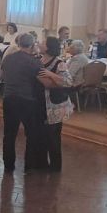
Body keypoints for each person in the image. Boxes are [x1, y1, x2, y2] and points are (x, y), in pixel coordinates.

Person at [1, 34, 47, 174]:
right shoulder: (34, 62)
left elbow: (1, 76)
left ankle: (8, 165)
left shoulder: (8, 58)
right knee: (31, 134)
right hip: (27, 99)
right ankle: (29, 165)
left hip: (9, 98)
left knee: (9, 134)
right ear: (32, 45)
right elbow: (44, 82)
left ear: (19, 43)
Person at [37, 36, 73, 172]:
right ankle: (42, 164)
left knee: (53, 137)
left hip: (55, 105)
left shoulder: (59, 63)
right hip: (41, 104)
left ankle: (55, 166)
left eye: (42, 42)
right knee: (41, 136)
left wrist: (50, 75)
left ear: (48, 47)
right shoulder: (39, 60)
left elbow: (68, 82)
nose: (39, 44)